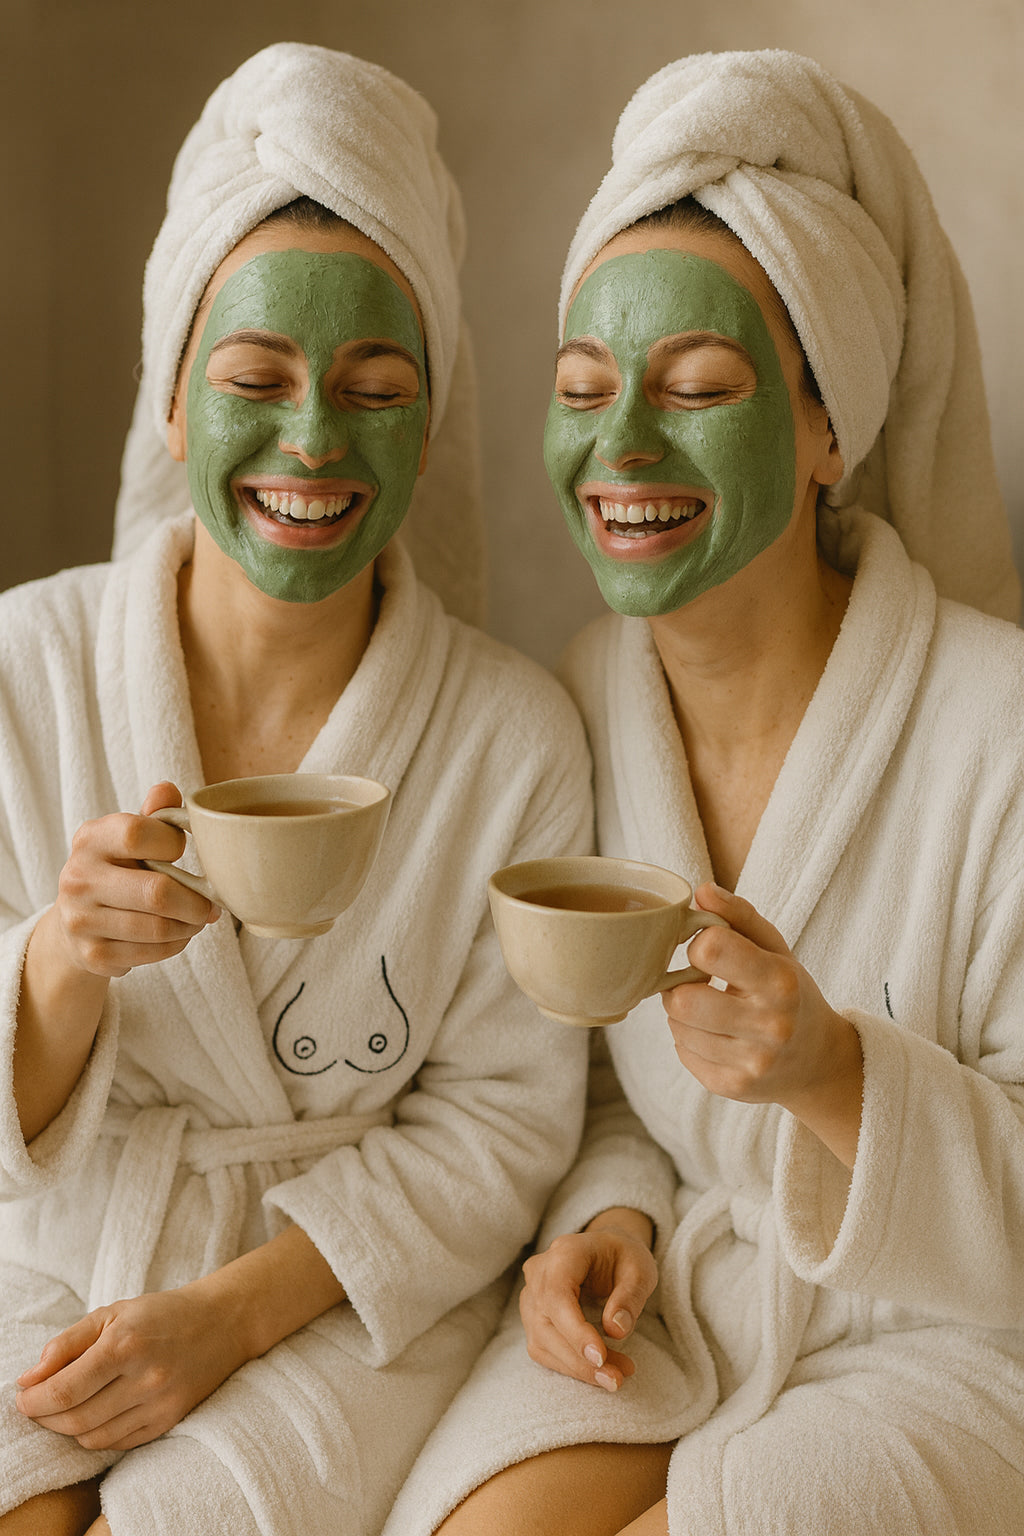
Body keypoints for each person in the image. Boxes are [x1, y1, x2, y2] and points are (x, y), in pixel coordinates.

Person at [383, 49, 1024, 1536]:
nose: (623, 447)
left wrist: (835, 1074)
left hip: (958, 1343)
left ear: (828, 430)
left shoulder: (997, 731)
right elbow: (611, 1085)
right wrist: (606, 1223)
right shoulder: (588, 700)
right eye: (583, 390)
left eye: (699, 389)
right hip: (696, 1293)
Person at [0, 43, 592, 1536]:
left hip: (328, 1293)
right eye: (256, 380)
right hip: (51, 1246)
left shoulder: (510, 737)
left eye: (376, 389)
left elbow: (504, 1123)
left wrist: (227, 1316)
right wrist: (61, 965)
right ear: (175, 406)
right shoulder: (23, 663)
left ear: (430, 422)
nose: (316, 438)